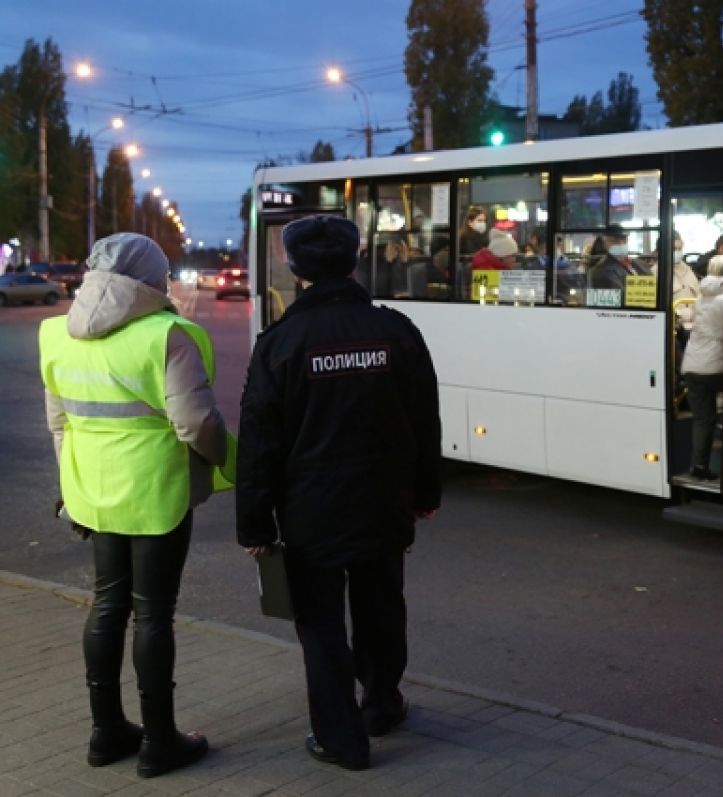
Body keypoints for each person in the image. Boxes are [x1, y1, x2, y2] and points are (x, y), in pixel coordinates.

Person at [236, 215, 441, 772]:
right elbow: (425, 420)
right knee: (381, 608)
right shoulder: (396, 331)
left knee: (321, 627)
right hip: (383, 503)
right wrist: (425, 492)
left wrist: (254, 524)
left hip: (310, 513)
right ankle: (381, 704)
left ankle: (341, 738)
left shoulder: (279, 344)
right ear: (354, 261)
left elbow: (259, 442)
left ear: (297, 269)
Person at [38, 233, 227, 778]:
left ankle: (105, 731)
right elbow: (195, 422)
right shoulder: (168, 334)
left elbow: (60, 423)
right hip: (155, 492)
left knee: (106, 605)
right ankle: (160, 740)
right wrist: (217, 460)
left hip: (91, 491)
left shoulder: (55, 333)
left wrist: (75, 483)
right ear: (151, 280)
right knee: (153, 612)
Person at [680, 258, 723, 480]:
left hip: (692, 365)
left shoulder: (700, 299)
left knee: (702, 419)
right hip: (715, 367)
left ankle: (698, 465)